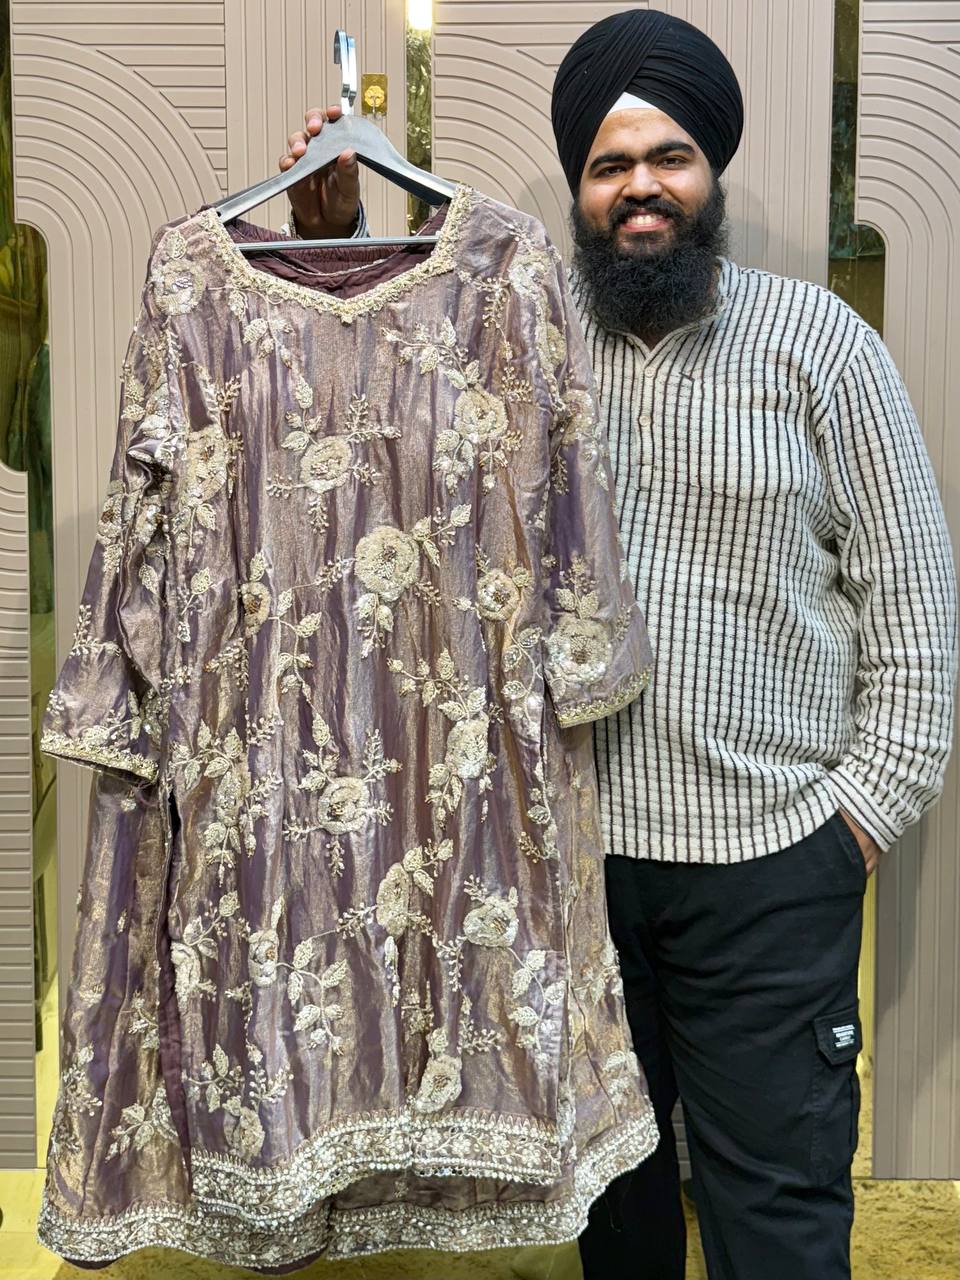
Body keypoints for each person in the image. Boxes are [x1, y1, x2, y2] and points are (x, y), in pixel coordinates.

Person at [278, 10, 957, 1278]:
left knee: (779, 1216)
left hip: (771, 869)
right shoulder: (511, 347)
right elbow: (357, 433)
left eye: (669, 157)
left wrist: (852, 824)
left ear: (712, 170)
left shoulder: (821, 348)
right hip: (570, 875)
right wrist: (338, 241)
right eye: (609, 165)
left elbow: (915, 609)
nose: (641, 186)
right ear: (580, 190)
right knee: (616, 1220)